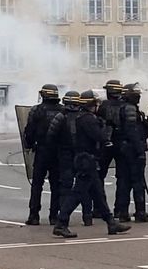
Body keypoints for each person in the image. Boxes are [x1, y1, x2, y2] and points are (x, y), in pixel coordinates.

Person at [53, 90, 130, 238]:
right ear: (91, 104)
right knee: (77, 194)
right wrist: (107, 128)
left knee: (98, 194)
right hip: (86, 161)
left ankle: (111, 223)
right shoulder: (88, 119)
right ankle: (61, 223)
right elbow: (100, 137)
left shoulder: (81, 117)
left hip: (86, 159)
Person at [46, 90, 92, 225]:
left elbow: (51, 136)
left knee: (65, 187)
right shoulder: (85, 117)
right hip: (82, 156)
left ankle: (60, 217)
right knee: (84, 186)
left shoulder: (60, 117)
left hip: (65, 155)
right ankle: (87, 216)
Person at [23, 84, 63, 225]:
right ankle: (54, 215)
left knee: (37, 184)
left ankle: (34, 215)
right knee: (56, 185)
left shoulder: (37, 110)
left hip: (42, 151)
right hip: (58, 153)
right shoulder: (62, 110)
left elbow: (29, 131)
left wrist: (29, 145)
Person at [115, 83, 148, 223]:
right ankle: (140, 212)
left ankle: (123, 212)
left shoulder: (125, 108)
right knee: (137, 182)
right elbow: (132, 131)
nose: (139, 97)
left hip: (124, 149)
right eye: (136, 94)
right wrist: (139, 150)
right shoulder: (130, 109)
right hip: (132, 149)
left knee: (125, 182)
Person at [94, 79, 125, 218]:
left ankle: (99, 208)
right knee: (123, 177)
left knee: (99, 176)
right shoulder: (125, 106)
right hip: (122, 144)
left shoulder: (103, 106)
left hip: (104, 145)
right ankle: (120, 209)